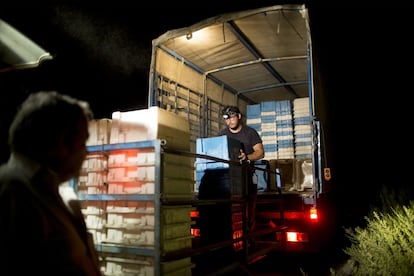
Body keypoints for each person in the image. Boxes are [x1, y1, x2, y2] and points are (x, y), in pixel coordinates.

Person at [0, 91, 102, 275]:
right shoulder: (12, 192)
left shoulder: (51, 191)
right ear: (63, 143)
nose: (86, 153)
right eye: (82, 143)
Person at [218, 105, 265, 238]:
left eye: (232, 117)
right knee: (231, 207)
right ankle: (232, 236)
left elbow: (260, 152)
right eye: (226, 119)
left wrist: (247, 158)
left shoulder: (250, 133)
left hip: (247, 175)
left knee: (249, 207)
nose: (229, 122)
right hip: (230, 178)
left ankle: (249, 237)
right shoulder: (222, 135)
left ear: (239, 116)